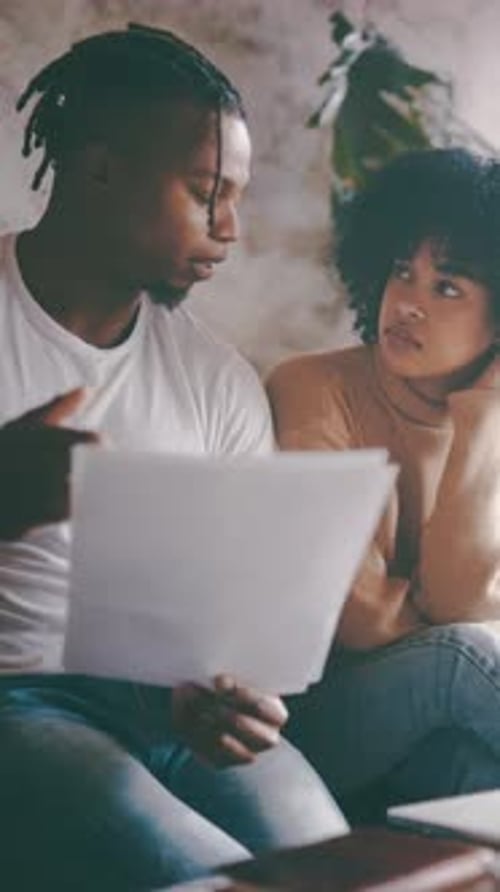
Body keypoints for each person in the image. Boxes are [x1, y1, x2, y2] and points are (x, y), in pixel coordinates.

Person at [0, 23, 347, 890]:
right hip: (19, 700)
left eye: (236, 197)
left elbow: (232, 621)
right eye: (205, 193)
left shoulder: (216, 381)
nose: (229, 228)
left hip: (173, 710)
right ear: (100, 169)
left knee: (343, 871)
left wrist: (226, 692)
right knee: (220, 879)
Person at [267, 148, 500, 818]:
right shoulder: (315, 387)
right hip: (309, 721)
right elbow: (361, 620)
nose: (407, 304)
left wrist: (485, 413)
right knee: (462, 655)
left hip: (430, 731)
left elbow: (459, 600)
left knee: (477, 777)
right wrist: (454, 615)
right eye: (402, 271)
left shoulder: (490, 420)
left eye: (447, 287)